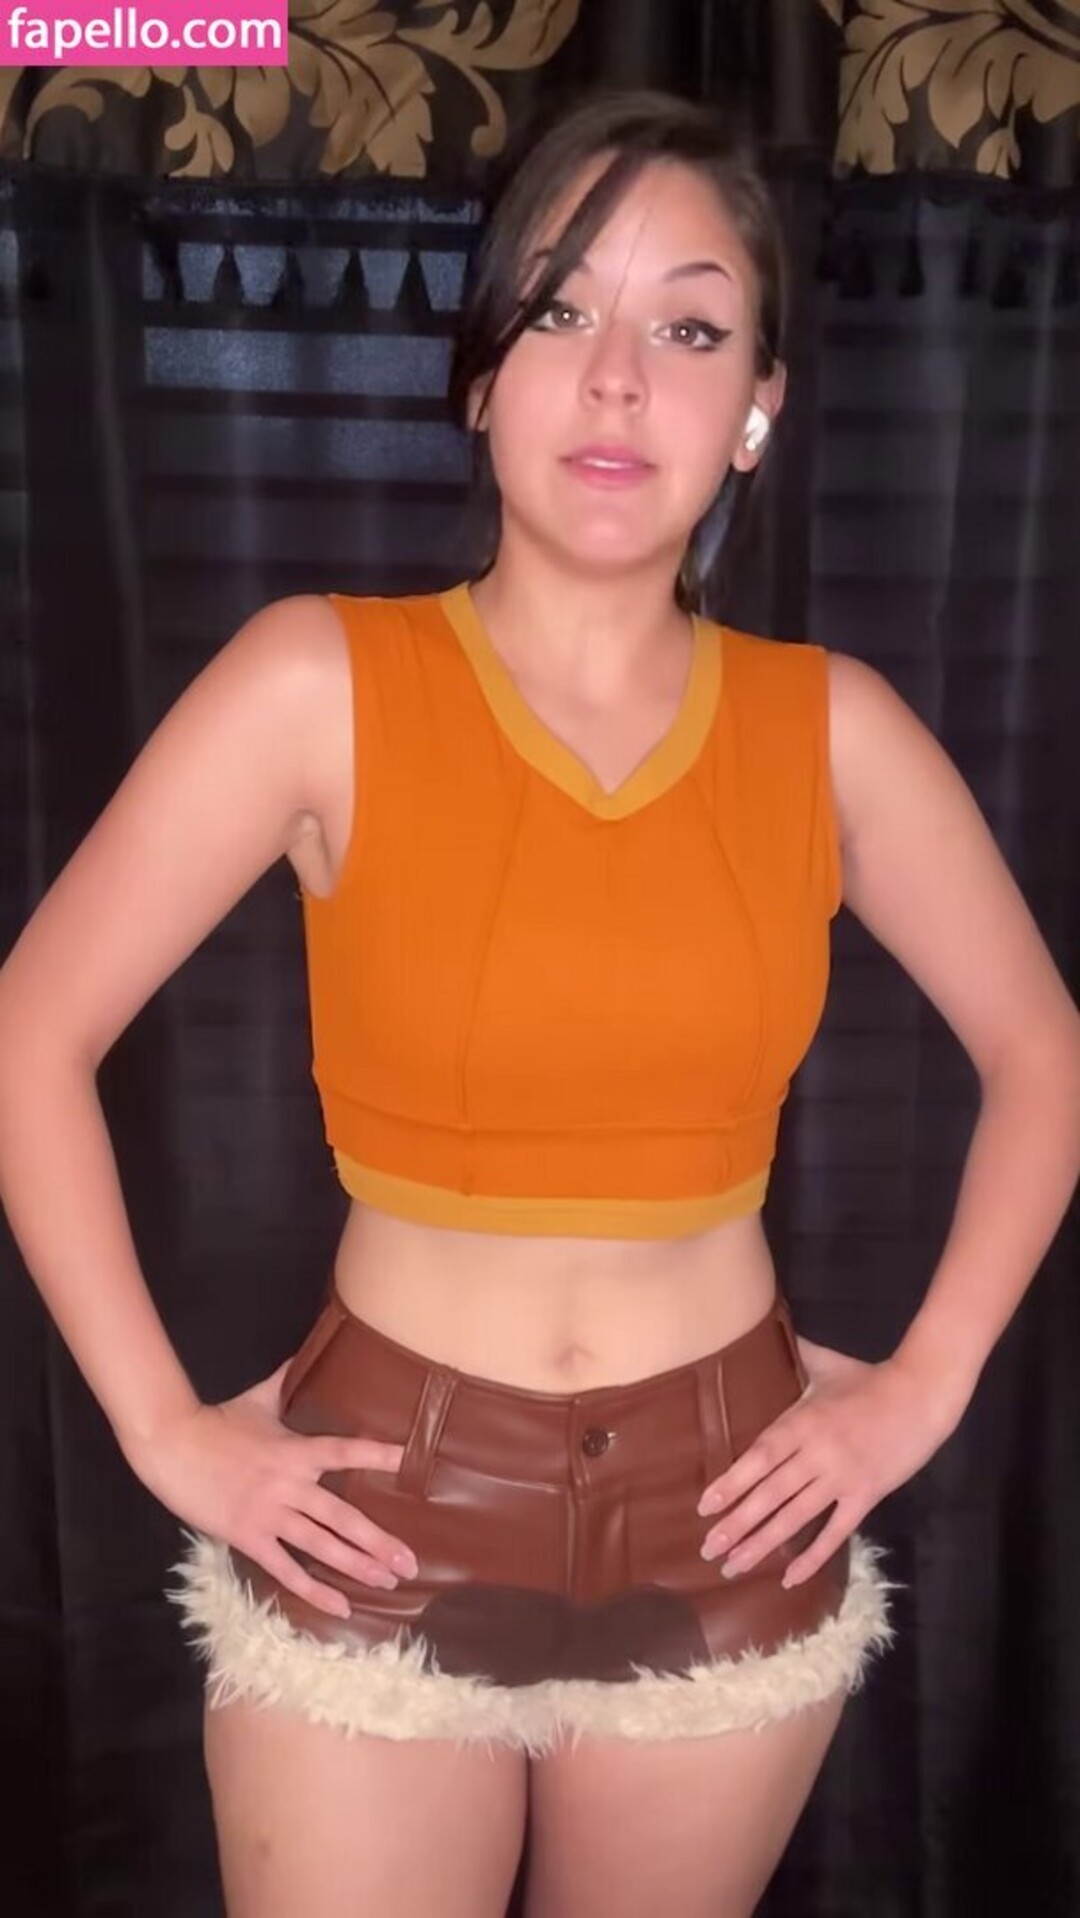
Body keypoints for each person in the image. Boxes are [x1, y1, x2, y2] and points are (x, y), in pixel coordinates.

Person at [1, 86, 1079, 1918]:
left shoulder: (834, 731)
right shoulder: (315, 683)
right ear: (484, 373)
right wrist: (162, 1429)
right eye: (563, 308)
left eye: (691, 330)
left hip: (730, 1516)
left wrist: (925, 1386)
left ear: (760, 408)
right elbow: (33, 1031)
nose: (617, 380)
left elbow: (1043, 1050)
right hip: (377, 1517)